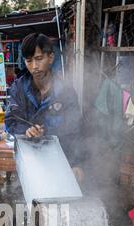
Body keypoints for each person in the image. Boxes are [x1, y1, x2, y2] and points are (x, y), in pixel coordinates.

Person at [5, 33, 84, 181]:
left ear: (50, 58)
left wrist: (76, 163)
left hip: (59, 159)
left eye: (39, 59)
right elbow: (10, 119)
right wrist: (26, 130)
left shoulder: (65, 90)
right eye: (29, 61)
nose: (34, 66)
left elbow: (75, 130)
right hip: (28, 158)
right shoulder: (19, 87)